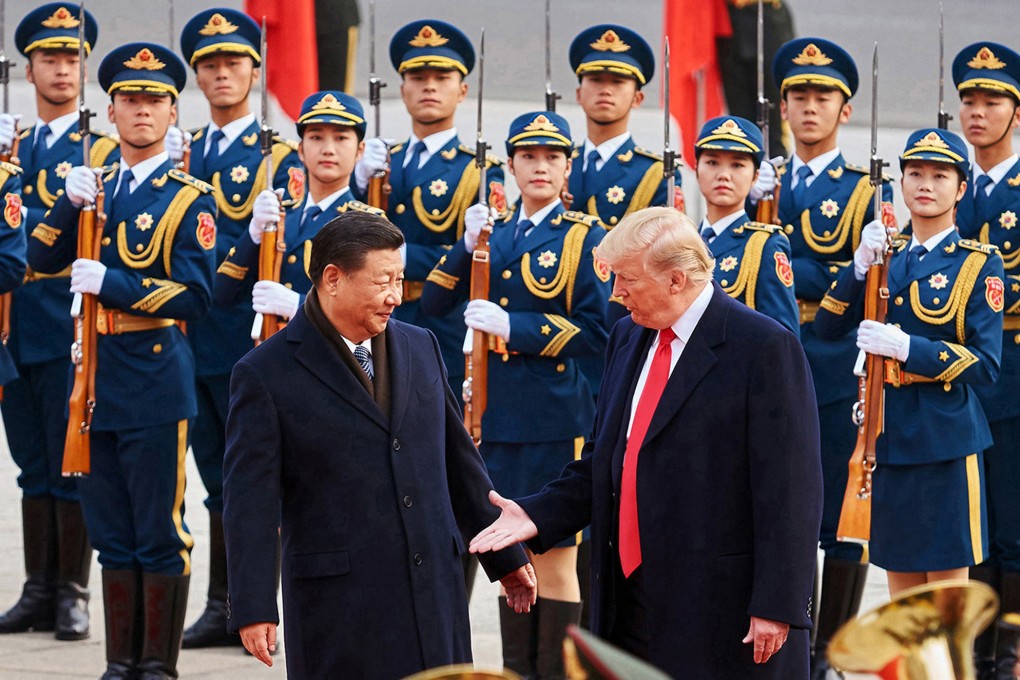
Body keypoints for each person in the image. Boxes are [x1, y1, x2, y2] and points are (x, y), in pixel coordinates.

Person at [469, 206, 822, 679]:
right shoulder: (629, 336)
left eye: (627, 280)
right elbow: (605, 461)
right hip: (627, 598)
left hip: (721, 605)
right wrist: (535, 514)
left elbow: (792, 491)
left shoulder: (762, 347)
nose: (615, 293)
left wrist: (777, 604)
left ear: (676, 280)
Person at [221, 212, 536, 680]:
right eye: (382, 282)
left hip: (433, 588)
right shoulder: (265, 373)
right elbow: (250, 502)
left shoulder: (420, 345)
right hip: (341, 602)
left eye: (401, 279)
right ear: (333, 278)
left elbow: (459, 465)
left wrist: (504, 555)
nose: (395, 295)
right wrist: (253, 604)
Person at [27, 42, 217, 679]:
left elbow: (198, 294)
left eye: (155, 100)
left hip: (153, 373)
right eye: (130, 100)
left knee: (159, 531)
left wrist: (112, 281)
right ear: (109, 111)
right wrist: (64, 201)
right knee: (111, 531)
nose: (142, 110)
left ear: (172, 114)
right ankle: (120, 663)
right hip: (93, 376)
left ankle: (157, 667)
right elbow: (41, 257)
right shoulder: (94, 187)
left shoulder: (190, 198)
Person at [422, 110, 610, 679]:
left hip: (551, 414)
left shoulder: (583, 237)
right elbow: (433, 304)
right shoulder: (494, 230)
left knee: (552, 559)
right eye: (528, 156)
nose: (540, 167)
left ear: (568, 167)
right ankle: (516, 670)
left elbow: (599, 331)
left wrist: (517, 328)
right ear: (510, 166)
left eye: (552, 157)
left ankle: (553, 673)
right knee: (506, 556)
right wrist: (464, 244)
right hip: (489, 415)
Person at [755, 36, 897, 675]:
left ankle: (828, 653)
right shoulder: (760, 181)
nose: (809, 108)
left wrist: (797, 270)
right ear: (782, 109)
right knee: (778, 501)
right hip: (766, 359)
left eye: (823, 97)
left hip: (836, 358)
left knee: (842, 510)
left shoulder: (863, 188)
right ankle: (783, 640)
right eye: (798, 97)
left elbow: (865, 279)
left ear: (845, 110)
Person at [814, 128, 1003, 598]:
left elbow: (986, 366)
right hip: (887, 437)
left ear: (961, 189)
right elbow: (826, 327)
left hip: (944, 440)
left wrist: (908, 348)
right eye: (915, 173)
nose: (925, 184)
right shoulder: (886, 257)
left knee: (944, 600)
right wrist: (857, 267)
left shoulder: (979, 264)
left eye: (940, 175)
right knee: (902, 600)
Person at [172, 8, 304, 648]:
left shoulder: (280, 155)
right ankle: (223, 601)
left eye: (233, 63)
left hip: (252, 337)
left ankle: (253, 603)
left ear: (255, 69)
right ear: (197, 76)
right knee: (212, 478)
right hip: (189, 336)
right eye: (210, 65)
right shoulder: (184, 151)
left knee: (254, 476)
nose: (222, 74)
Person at [0, 3, 117, 643]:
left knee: (73, 462)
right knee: (30, 466)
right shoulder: (9, 145)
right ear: (30, 68)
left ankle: (73, 591)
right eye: (50, 58)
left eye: (72, 58)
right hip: (18, 327)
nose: (63, 70)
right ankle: (37, 589)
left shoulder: (100, 148)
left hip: (73, 326)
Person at [352, 19, 505, 401]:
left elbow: (484, 254)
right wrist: (355, 182)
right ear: (403, 90)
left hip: (443, 322)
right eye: (418, 77)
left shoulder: (481, 171)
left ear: (462, 90)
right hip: (375, 318)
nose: (430, 86)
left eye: (442, 76)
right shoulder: (383, 163)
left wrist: (401, 256)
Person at [951, 41, 1020, 679]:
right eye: (968, 100)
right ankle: (968, 646)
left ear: (1016, 113)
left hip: (1016, 374)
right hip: (957, 378)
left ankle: (1007, 652)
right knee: (965, 520)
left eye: (991, 101)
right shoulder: (948, 184)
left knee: (1012, 521)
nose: (977, 112)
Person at [216, 90, 383, 316]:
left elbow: (375, 309)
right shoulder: (282, 215)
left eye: (341, 138)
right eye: (316, 137)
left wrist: (299, 305)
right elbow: (224, 293)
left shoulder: (369, 224)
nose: (328, 149)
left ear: (359, 151)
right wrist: (254, 232)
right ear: (301, 150)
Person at [566, 24, 684, 229]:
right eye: (595, 80)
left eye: (617, 82)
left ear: (637, 98)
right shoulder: (559, 163)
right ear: (578, 94)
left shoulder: (655, 173)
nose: (605, 90)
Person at [693, 115, 798, 334]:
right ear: (696, 170)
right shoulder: (682, 241)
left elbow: (783, 339)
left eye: (737, 165)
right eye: (712, 162)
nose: (723, 175)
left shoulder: (764, 246)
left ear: (755, 176)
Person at [717, 0, 795, 156]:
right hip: (730, 20)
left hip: (766, 16)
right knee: (739, 111)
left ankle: (776, 167)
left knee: (772, 109)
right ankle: (744, 163)